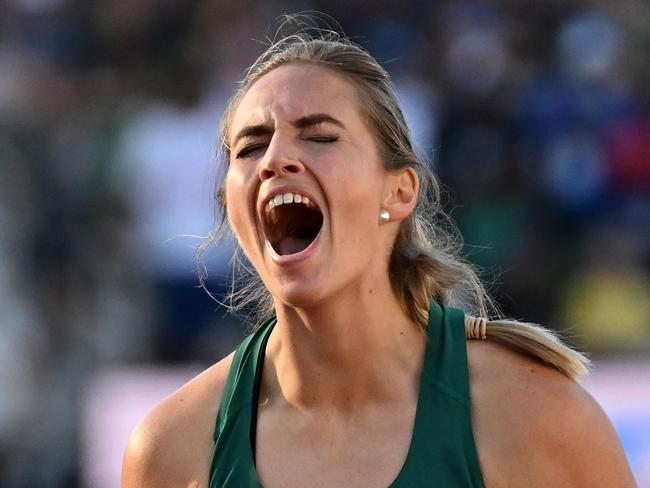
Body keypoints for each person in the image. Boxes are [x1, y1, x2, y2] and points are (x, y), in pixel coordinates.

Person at [121, 27, 637, 488]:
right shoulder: (172, 448)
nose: (276, 159)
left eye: (320, 136)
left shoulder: (533, 415)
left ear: (399, 192)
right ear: (229, 205)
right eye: (250, 148)